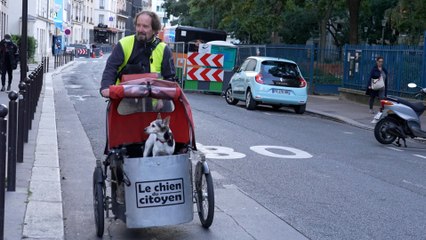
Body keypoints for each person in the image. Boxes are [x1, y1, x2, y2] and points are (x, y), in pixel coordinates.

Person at [100, 10, 176, 97]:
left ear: (154, 29)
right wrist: (106, 87)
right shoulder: (124, 43)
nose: (140, 29)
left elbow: (170, 78)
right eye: (138, 25)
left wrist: (164, 99)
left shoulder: (164, 49)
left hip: (154, 103)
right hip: (124, 102)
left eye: (145, 26)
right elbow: (111, 68)